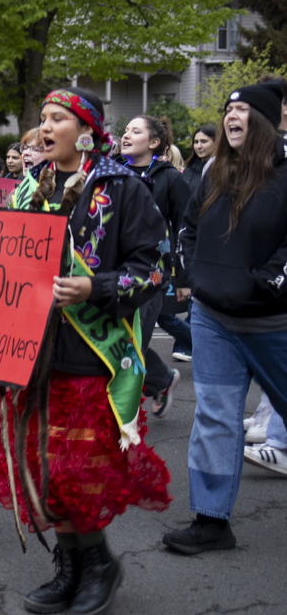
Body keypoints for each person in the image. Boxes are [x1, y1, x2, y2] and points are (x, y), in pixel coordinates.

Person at [0, 86, 170, 615]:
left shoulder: (121, 188)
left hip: (89, 354)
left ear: (87, 131)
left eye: (58, 118)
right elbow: (7, 254)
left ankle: (99, 565)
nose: (46, 127)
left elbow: (155, 267)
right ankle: (71, 566)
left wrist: (97, 288)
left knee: (77, 471)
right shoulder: (28, 188)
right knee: (42, 469)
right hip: (28, 350)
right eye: (42, 117)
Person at [166, 80, 287, 553]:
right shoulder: (214, 170)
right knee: (215, 416)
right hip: (211, 317)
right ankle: (211, 521)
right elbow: (189, 227)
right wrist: (195, 273)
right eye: (227, 109)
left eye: (242, 110)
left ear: (263, 121)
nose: (231, 117)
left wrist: (265, 282)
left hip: (274, 323)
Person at [120, 115, 190, 417]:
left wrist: (184, 276)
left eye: (135, 131)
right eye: (125, 130)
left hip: (151, 275)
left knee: (133, 343)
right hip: (113, 272)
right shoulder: (109, 172)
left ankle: (124, 416)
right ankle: (161, 379)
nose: (126, 135)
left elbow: (188, 227)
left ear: (154, 142)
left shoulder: (169, 177)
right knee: (119, 340)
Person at [182, 125, 215, 194]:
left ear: (216, 143)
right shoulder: (188, 171)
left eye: (204, 141)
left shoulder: (224, 170)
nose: (199, 146)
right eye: (196, 142)